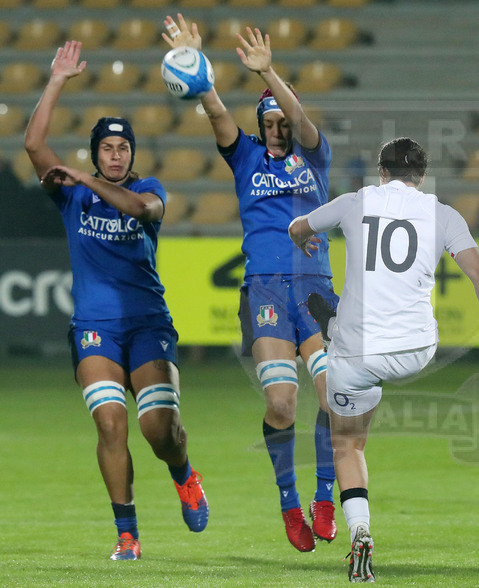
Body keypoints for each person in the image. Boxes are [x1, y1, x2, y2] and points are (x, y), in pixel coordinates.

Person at [289, 137, 479, 582]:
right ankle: (333, 324)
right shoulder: (442, 213)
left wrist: (304, 241)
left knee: (348, 444)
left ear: (381, 173)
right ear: (422, 177)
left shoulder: (355, 202)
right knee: (373, 352)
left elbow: (299, 227)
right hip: (416, 349)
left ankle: (359, 530)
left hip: (357, 351)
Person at [24, 41, 208, 561]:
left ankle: (183, 472)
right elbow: (34, 145)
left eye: (122, 147)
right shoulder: (72, 196)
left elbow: (142, 210)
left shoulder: (149, 189)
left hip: (149, 324)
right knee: (110, 423)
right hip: (95, 327)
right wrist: (57, 79)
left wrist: (83, 178)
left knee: (161, 431)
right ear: (95, 151)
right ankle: (127, 533)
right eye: (106, 147)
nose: (115, 154)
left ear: (131, 155)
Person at [162, 14, 338, 552]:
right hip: (264, 289)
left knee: (338, 397)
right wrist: (199, 71)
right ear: (261, 125)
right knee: (282, 405)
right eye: (271, 121)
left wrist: (270, 72)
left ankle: (325, 494)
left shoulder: (314, 154)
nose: (280, 128)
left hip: (315, 289)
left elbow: (303, 120)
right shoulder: (244, 158)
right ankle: (289, 505)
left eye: (283, 119)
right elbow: (214, 112)